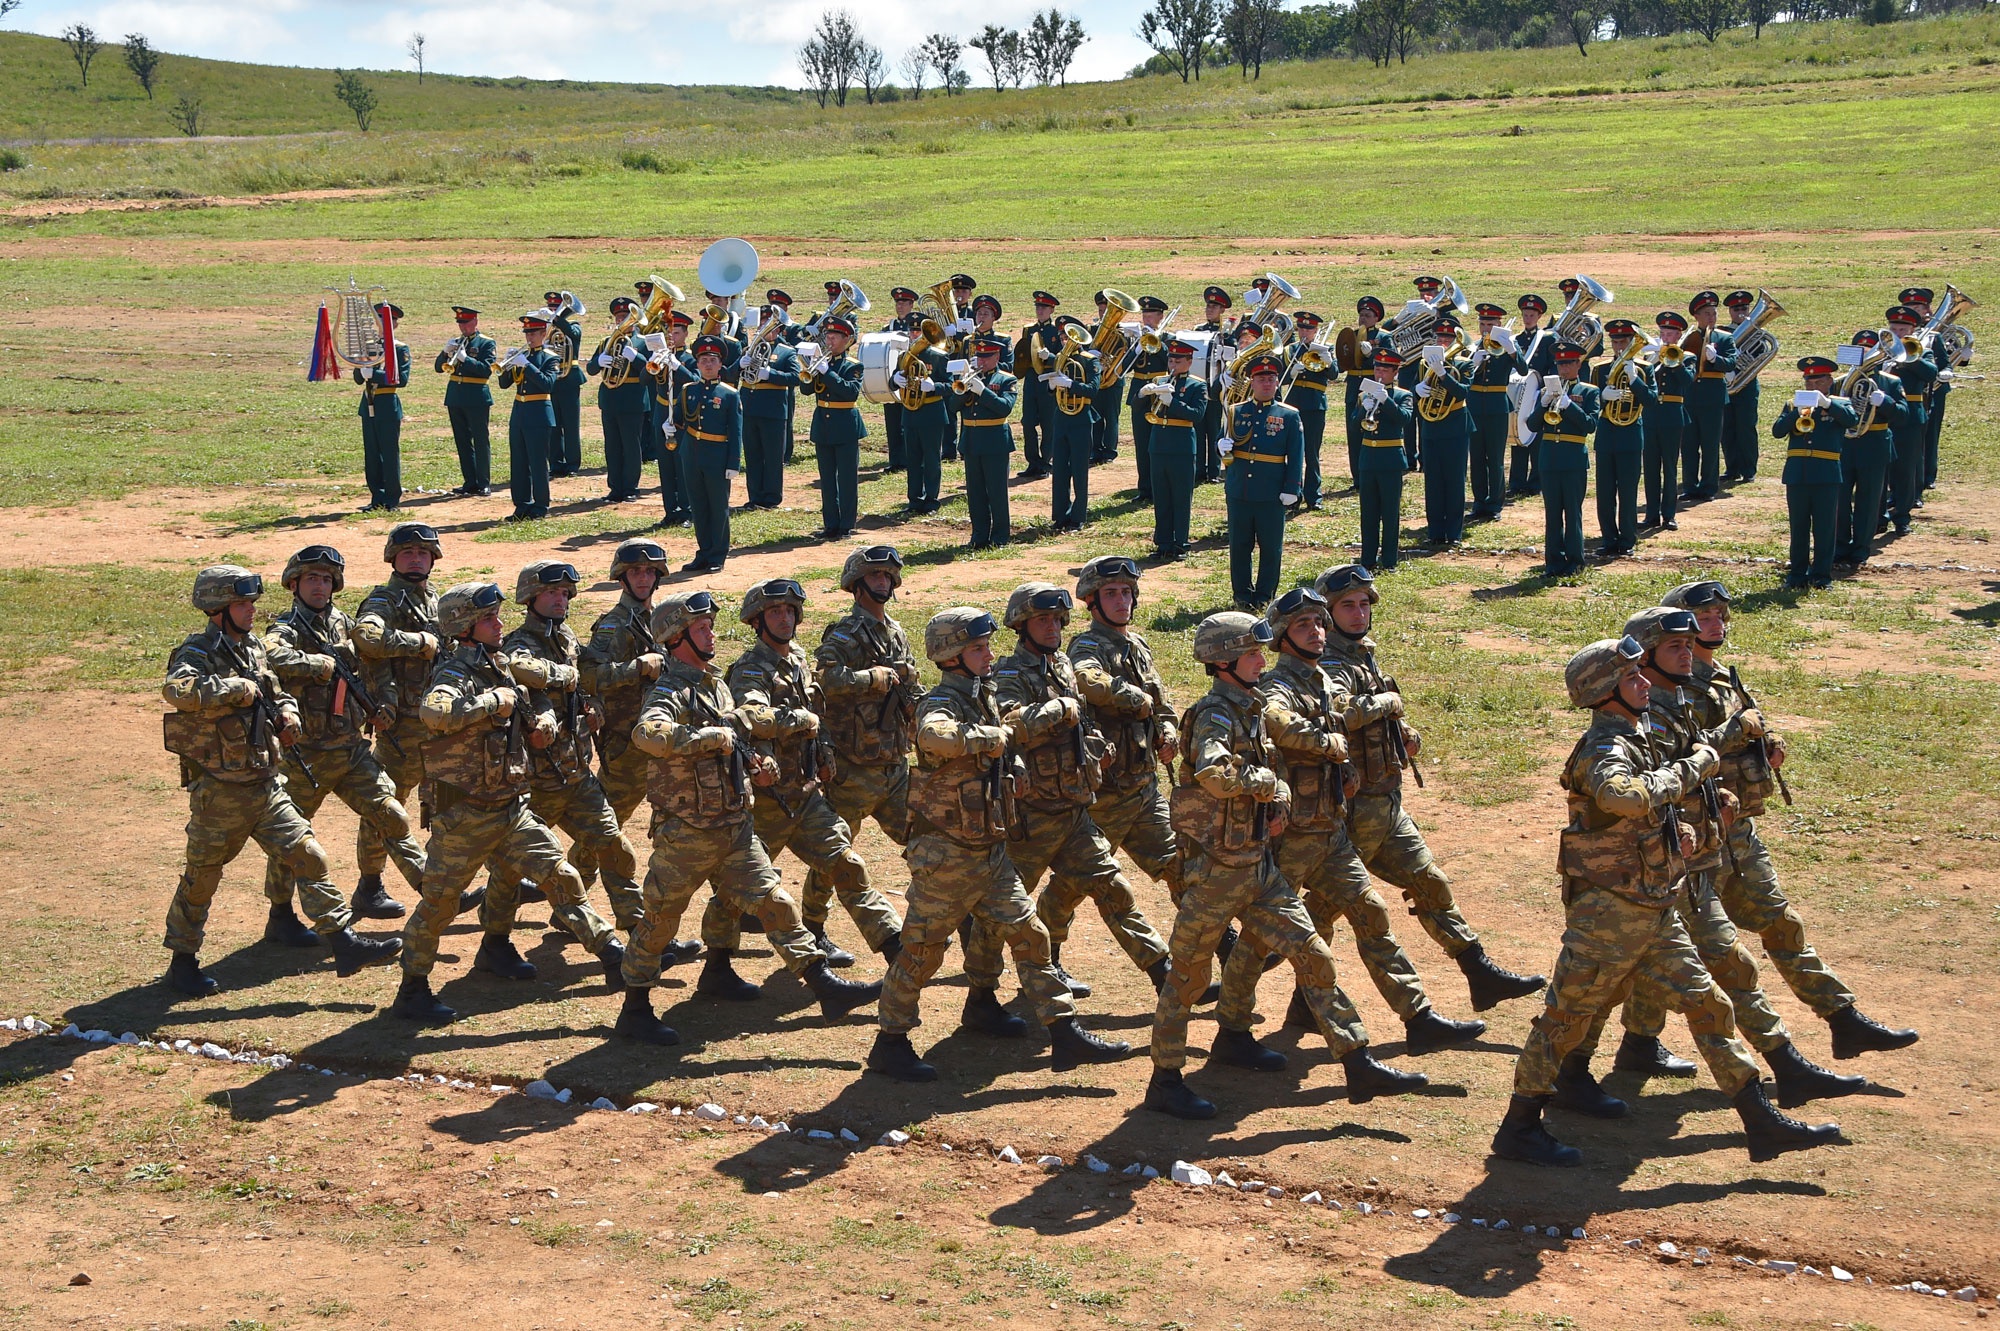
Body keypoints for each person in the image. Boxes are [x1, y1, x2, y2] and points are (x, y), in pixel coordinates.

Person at [1491, 636, 1841, 1167]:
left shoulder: (1639, 737)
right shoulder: (1606, 749)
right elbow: (1624, 798)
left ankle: (1760, 1121)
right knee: (1564, 1020)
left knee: (1710, 1004)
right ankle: (1518, 1128)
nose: (1643, 683)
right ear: (1607, 694)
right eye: (1632, 678)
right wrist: (1695, 767)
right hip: (1607, 916)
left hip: (1653, 904)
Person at [1578, 608, 1867, 1110]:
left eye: (1691, 644)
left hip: (1681, 860)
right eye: (1675, 647)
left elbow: (1680, 770)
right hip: (1651, 870)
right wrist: (1709, 762)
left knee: (1622, 981)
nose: (1689, 652)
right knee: (1617, 984)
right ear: (1642, 659)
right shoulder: (1634, 721)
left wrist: (1717, 790)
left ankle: (1599, 1063)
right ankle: (1562, 1079)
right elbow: (1641, 787)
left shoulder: (1666, 705)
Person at [1144, 611, 1426, 1121]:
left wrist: (1276, 805)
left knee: (1314, 954)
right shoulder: (1215, 715)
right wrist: (1267, 785)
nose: (1261, 659)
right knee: (1185, 980)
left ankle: (1356, 1061)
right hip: (1214, 876)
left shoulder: (1249, 707)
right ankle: (1165, 1082)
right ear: (1224, 662)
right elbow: (1211, 771)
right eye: (1252, 653)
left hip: (1257, 867)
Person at [1210, 589, 1485, 1065]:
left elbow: (1351, 713)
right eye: (1302, 626)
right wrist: (1330, 740)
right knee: (1258, 939)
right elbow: (1280, 724)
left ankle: (1418, 1018)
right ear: (1281, 637)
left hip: (1332, 830)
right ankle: (1232, 1031)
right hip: (1294, 835)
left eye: (1319, 622)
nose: (1316, 630)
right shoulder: (1277, 686)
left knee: (1372, 914)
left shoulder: (1322, 681)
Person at [1658, 579, 1919, 1060]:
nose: (1715, 623)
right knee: (1676, 946)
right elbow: (1678, 754)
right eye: (1704, 617)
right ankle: (1638, 1042)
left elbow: (1751, 719)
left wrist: (1768, 740)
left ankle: (1842, 1018)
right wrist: (1737, 731)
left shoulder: (1720, 675)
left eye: (1720, 615)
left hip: (1735, 828)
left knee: (1779, 921)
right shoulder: (1669, 686)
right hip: (1693, 838)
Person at [866, 607, 1130, 1083]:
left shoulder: (983, 695)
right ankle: (890, 1042)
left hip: (988, 849)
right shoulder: (941, 702)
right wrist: (994, 737)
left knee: (1031, 934)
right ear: (952, 656)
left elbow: (1001, 748)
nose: (989, 656)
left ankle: (1064, 1031)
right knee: (923, 951)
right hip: (946, 856)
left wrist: (1015, 768)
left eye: (987, 647)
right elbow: (934, 737)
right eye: (978, 649)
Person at [613, 590, 881, 1043]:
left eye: (709, 626)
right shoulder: (670, 690)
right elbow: (648, 733)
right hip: (688, 832)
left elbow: (733, 739)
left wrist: (756, 762)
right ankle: (634, 1008)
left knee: (777, 904)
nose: (711, 634)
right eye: (701, 629)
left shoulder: (715, 685)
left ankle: (825, 988)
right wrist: (706, 738)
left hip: (733, 826)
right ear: (677, 638)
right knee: (659, 921)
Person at [159, 566, 403, 997]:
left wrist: (287, 712)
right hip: (221, 790)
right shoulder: (197, 652)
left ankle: (342, 942)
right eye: (241, 604)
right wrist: (234, 689)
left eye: (251, 603)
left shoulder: (252, 646)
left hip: (265, 781)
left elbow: (274, 690)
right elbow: (178, 691)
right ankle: (182, 961)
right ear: (217, 609)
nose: (252, 611)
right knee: (203, 876)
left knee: (308, 855)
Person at [389, 582, 626, 1024]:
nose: (500, 624)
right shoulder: (454, 673)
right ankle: (412, 990)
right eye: (489, 619)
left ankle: (614, 957)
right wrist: (489, 702)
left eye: (498, 616)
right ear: (465, 627)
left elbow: (532, 701)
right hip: (463, 815)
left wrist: (544, 722)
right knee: (439, 904)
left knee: (561, 876)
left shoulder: (498, 664)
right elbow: (435, 714)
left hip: (511, 807)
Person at [1316, 564, 1547, 1010]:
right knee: (1327, 906)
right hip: (1354, 807)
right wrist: (1388, 704)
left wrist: (1405, 732)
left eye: (1364, 604)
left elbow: (1377, 714)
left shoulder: (1363, 653)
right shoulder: (1326, 662)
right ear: (1327, 613)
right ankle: (1264, 981)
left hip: (1384, 802)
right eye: (1348, 605)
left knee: (1429, 881)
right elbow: (1340, 713)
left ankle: (1479, 971)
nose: (1359, 613)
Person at [965, 582, 1172, 1000]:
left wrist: (1098, 745)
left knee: (1115, 890)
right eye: (1042, 620)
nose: (1052, 627)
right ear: (1022, 626)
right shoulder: (1008, 672)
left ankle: (1166, 976)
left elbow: (1084, 721)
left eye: (1057, 619)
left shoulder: (1061, 667)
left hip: (1074, 810)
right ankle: (981, 996)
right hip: (1031, 816)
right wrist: (1057, 710)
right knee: (999, 912)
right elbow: (1008, 725)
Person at [697, 579, 905, 984]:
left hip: (807, 797)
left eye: (790, 611)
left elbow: (818, 714)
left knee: (847, 865)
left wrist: (824, 750)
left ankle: (897, 950)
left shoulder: (798, 661)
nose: (784, 618)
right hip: (769, 801)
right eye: (775, 612)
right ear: (757, 621)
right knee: (739, 890)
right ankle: (717, 966)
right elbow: (749, 720)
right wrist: (793, 727)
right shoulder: (750, 669)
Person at [260, 545, 430, 949]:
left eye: (325, 579)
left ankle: (436, 892)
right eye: (311, 579)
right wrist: (316, 664)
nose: (319, 586)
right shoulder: (286, 626)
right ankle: (280, 915)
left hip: (350, 748)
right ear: (294, 584)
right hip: (307, 755)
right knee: (292, 840)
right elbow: (270, 654)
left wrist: (382, 703)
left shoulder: (342, 623)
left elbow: (370, 668)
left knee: (390, 812)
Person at [498, 560, 647, 959]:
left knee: (614, 848)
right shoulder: (518, 643)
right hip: (538, 782)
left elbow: (586, 681)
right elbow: (519, 671)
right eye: (551, 593)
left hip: (577, 776)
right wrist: (566, 680)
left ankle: (639, 931)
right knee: (512, 869)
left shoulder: (566, 638)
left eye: (565, 593)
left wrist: (593, 705)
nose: (560, 599)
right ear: (530, 598)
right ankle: (495, 943)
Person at [577, 539, 702, 972]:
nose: (644, 578)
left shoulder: (667, 617)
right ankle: (584, 900)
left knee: (610, 829)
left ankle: (571, 892)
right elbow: (589, 676)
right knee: (608, 829)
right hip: (626, 743)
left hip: (663, 741)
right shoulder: (613, 626)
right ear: (622, 577)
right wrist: (638, 667)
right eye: (636, 572)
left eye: (650, 572)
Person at [800, 547, 928, 963]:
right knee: (833, 855)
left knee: (928, 842)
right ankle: (813, 928)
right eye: (874, 576)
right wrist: (870, 678)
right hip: (854, 770)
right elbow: (825, 679)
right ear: (856, 584)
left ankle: (947, 920)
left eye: (887, 576)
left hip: (894, 765)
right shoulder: (845, 633)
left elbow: (910, 686)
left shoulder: (895, 632)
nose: (882, 582)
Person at [1064, 558, 1182, 907]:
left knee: (1181, 866)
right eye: (1111, 593)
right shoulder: (1087, 646)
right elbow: (1084, 678)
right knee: (1076, 885)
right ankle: (1047, 951)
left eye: (1127, 592)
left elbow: (1162, 703)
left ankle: (1222, 944)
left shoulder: (1139, 646)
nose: (1121, 601)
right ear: (1093, 601)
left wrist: (1169, 731)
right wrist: (1133, 697)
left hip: (1143, 788)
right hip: (1106, 794)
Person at [351, 522, 446, 920]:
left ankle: (444, 880)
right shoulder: (385, 600)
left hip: (438, 722)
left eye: (423, 553)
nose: (416, 558)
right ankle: (369, 886)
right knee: (387, 807)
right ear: (393, 557)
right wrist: (418, 643)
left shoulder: (433, 599)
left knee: (447, 803)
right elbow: (366, 637)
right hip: (402, 725)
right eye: (408, 552)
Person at [1221, 350, 1301, 609]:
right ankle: (1242, 594)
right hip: (1240, 488)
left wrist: (1292, 488)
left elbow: (1296, 455)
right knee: (1240, 545)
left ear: (1277, 382)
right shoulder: (1236, 411)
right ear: (1252, 383)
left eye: (1271, 379)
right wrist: (1221, 448)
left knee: (1270, 548)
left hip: (1271, 490)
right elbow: (1230, 450)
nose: (1266, 384)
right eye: (1261, 379)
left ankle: (1265, 594)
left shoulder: (1289, 415)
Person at [1772, 355, 1858, 590]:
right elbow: (1778, 431)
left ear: (1829, 381)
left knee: (1825, 527)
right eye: (1808, 382)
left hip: (1826, 474)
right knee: (1798, 526)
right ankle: (1797, 574)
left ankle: (1821, 575)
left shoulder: (1841, 404)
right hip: (1797, 474)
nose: (1811, 386)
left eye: (1817, 381)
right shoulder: (1793, 405)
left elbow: (1852, 421)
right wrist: (1795, 414)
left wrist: (1827, 404)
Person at [1834, 329, 1907, 568]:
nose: (1867, 354)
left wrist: (1885, 402)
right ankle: (1840, 545)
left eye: (1871, 350)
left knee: (1869, 500)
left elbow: (1904, 416)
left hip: (1874, 446)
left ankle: (1861, 548)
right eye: (1861, 349)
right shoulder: (1840, 382)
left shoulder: (1890, 381)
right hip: (1845, 446)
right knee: (1840, 499)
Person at [1526, 341, 1598, 577]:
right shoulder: (1546, 391)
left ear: (1579, 363)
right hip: (1549, 457)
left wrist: (1569, 406)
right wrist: (1543, 404)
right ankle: (1553, 561)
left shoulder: (1588, 391)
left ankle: (1575, 560)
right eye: (1560, 363)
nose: (1563, 368)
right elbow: (1532, 425)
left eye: (1568, 363)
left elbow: (1590, 425)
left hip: (1573, 458)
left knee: (1572, 512)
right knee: (1552, 513)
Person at [673, 334, 742, 573]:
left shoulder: (729, 394)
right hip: (691, 455)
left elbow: (735, 431)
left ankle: (718, 555)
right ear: (697, 364)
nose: (708, 364)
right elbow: (680, 420)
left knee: (718, 506)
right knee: (699, 506)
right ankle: (703, 552)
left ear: (721, 364)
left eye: (713, 360)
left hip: (717, 456)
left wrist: (734, 462)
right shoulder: (687, 390)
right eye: (703, 360)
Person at [1590, 319, 1654, 559]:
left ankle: (1627, 538)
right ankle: (1608, 538)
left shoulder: (1644, 369)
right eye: (1615, 342)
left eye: (1624, 342)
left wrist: (1635, 381)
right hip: (1607, 434)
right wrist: (1603, 397)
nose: (1619, 347)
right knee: (1605, 492)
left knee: (1628, 491)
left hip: (1630, 434)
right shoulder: (1601, 369)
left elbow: (1651, 401)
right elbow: (1591, 403)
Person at [1136, 335, 1205, 559]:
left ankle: (1180, 543)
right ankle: (1163, 541)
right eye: (1171, 361)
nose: (1173, 365)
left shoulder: (1197, 385)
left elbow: (1197, 415)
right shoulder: (1159, 381)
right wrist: (1142, 393)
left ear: (1189, 361)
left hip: (1182, 445)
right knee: (1162, 495)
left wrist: (1172, 402)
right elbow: (1140, 409)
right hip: (1158, 443)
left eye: (1178, 361)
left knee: (1181, 496)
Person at [797, 314, 865, 540]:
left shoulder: (853, 365)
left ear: (846, 339)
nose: (830, 340)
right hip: (823, 424)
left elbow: (850, 391)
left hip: (845, 424)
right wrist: (809, 369)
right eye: (828, 336)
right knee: (826, 479)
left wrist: (828, 373)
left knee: (846, 479)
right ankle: (830, 524)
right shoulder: (821, 362)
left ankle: (846, 524)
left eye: (835, 336)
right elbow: (806, 390)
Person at [1351, 346, 1412, 571]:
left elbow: (1404, 419)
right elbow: (1355, 427)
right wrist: (1361, 410)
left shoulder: (1403, 395)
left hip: (1391, 459)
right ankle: (1367, 559)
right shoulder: (1363, 395)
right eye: (1377, 368)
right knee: (1368, 512)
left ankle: (1389, 560)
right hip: (1368, 458)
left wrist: (1386, 402)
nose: (1380, 373)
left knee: (1390, 512)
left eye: (1385, 370)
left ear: (1395, 373)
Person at [1412, 316, 1472, 545]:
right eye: (1440, 337)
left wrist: (1444, 375)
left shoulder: (1464, 363)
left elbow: (1464, 392)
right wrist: (1417, 389)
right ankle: (1435, 531)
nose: (1444, 341)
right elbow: (1415, 392)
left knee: (1455, 481)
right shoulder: (1423, 364)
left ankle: (1454, 533)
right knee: (1433, 481)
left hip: (1456, 426)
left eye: (1448, 337)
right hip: (1431, 427)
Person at [956, 333, 1018, 549]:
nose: (981, 361)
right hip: (972, 441)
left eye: (987, 356)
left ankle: (1000, 536)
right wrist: (965, 386)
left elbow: (1004, 408)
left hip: (995, 441)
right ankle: (979, 535)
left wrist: (982, 392)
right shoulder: (970, 378)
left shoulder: (1006, 379)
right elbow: (951, 406)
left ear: (997, 355)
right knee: (975, 493)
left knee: (997, 491)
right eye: (979, 356)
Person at [587, 296, 652, 504]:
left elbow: (651, 370)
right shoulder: (606, 342)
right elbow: (590, 369)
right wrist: (599, 360)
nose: (622, 321)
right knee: (612, 446)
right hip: (610, 399)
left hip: (633, 399)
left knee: (631, 446)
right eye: (619, 317)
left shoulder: (643, 342)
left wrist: (636, 357)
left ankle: (631, 487)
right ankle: (615, 488)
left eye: (626, 317)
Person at [496, 309, 559, 521]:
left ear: (544, 333)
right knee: (519, 461)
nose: (529, 337)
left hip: (539, 414)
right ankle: (521, 504)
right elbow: (504, 385)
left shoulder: (550, 358)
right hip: (519, 413)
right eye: (526, 333)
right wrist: (508, 365)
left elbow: (547, 384)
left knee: (538, 462)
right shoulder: (522, 356)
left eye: (533, 333)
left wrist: (527, 366)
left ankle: (541, 505)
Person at [739, 302, 802, 511]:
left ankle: (772, 498)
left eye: (769, 324)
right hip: (749, 408)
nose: (764, 327)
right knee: (753, 455)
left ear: (778, 330)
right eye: (762, 323)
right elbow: (732, 375)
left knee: (773, 457)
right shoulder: (749, 349)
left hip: (772, 411)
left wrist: (770, 374)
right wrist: (741, 364)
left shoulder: (786, 352)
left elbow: (796, 377)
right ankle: (754, 496)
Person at [1464, 302, 1523, 521]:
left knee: (1495, 458)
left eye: (1490, 323)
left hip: (1498, 405)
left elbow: (1524, 370)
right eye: (1482, 323)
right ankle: (1479, 502)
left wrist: (1512, 351)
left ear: (1499, 324)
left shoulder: (1507, 346)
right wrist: (1474, 362)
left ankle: (1495, 504)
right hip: (1475, 405)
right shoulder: (1473, 346)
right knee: (1477, 457)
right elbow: (1464, 376)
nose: (1486, 328)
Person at [1044, 314, 1102, 531]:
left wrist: (1070, 384)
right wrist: (1051, 387)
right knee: (1059, 469)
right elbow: (1052, 388)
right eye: (1061, 336)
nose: (1063, 340)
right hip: (1061, 416)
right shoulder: (1059, 358)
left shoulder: (1089, 360)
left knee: (1079, 469)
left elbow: (1094, 390)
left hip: (1081, 417)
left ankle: (1078, 516)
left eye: (1067, 336)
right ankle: (1060, 515)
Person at [1885, 303, 1939, 534]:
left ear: (1912, 331)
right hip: (1882, 414)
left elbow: (1931, 374)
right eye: (1894, 329)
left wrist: (1909, 357)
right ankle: (1879, 514)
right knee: (1881, 469)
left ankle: (1902, 516)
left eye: (1902, 330)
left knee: (1906, 469)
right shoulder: (1879, 349)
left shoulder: (1922, 350)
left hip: (1911, 415)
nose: (1898, 334)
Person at [353, 301, 410, 513]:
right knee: (372, 453)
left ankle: (392, 498)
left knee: (388, 452)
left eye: (387, 321)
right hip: (368, 403)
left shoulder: (399, 348)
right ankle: (377, 496)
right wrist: (361, 368)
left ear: (394, 324)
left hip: (387, 404)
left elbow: (401, 379)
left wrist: (375, 375)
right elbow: (358, 378)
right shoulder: (370, 345)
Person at [1683, 290, 1738, 502]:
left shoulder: (1724, 338)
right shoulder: (1688, 337)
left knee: (1710, 444)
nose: (1711, 318)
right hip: (1690, 396)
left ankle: (1708, 486)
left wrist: (1716, 359)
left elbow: (1732, 362)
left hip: (1713, 397)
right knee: (1688, 445)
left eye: (1714, 313)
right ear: (1696, 316)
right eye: (1707, 314)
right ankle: (1689, 485)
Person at [893, 314, 951, 515]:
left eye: (919, 331)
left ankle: (932, 500)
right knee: (913, 459)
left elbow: (952, 385)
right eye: (913, 331)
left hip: (931, 413)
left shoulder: (938, 356)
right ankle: (914, 500)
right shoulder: (904, 356)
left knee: (932, 459)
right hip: (910, 413)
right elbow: (894, 381)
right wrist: (895, 379)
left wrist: (935, 386)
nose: (916, 335)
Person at [436, 304, 495, 496]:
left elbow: (486, 369)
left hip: (476, 396)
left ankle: (484, 482)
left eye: (466, 323)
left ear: (475, 321)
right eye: (460, 323)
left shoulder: (487, 343)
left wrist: (465, 359)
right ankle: (470, 481)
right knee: (462, 441)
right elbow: (438, 367)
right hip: (455, 396)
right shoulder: (456, 341)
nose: (463, 327)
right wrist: (445, 352)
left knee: (480, 440)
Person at [1644, 311, 1694, 532]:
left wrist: (1675, 361)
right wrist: (1655, 357)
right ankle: (1651, 514)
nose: (1665, 337)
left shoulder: (1687, 357)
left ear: (1679, 335)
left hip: (1673, 415)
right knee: (1651, 467)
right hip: (1651, 414)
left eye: (1670, 333)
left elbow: (1687, 382)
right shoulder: (1650, 356)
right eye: (1663, 333)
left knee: (1670, 468)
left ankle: (1669, 515)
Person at [1899, 286, 1953, 492]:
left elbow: (1944, 360)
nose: (1913, 309)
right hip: (1905, 392)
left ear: (1927, 309)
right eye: (1909, 306)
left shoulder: (1933, 335)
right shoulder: (1896, 333)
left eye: (1917, 306)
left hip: (1933, 391)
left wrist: (1954, 366)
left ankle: (1927, 476)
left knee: (1929, 436)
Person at [646, 308, 695, 527]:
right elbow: (642, 380)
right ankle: (670, 510)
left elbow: (694, 380)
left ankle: (686, 510)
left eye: (676, 333)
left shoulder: (690, 358)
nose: (671, 337)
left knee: (683, 466)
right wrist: (653, 361)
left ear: (685, 334)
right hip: (661, 414)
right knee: (665, 466)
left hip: (682, 415)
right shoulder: (661, 356)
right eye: (668, 333)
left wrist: (677, 365)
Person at [1509, 292, 1558, 497]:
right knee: (1518, 434)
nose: (1527, 318)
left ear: (1539, 317)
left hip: (1537, 393)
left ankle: (1536, 482)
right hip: (1518, 392)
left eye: (1531, 314)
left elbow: (1552, 367)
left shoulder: (1546, 340)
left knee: (1537, 437)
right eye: (1525, 314)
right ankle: (1517, 481)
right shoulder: (1515, 340)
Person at [1126, 295, 1172, 503]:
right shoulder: (1136, 339)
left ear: (1160, 316)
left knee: (1160, 443)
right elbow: (1123, 367)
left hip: (1159, 391)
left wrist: (1157, 341)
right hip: (1139, 391)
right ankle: (1144, 488)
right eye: (1144, 313)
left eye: (1150, 313)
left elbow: (1171, 363)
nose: (1146, 317)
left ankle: (1161, 488)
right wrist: (1137, 347)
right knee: (1141, 442)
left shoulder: (1169, 337)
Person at [1343, 295, 1389, 490]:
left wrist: (1372, 355)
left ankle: (1373, 477)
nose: (1363, 318)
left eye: (1368, 315)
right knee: (1354, 433)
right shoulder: (1351, 335)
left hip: (1373, 383)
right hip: (1354, 385)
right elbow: (1342, 362)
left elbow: (1390, 362)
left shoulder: (1383, 336)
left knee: (1373, 432)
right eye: (1361, 315)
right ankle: (1358, 479)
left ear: (1376, 318)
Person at [1016, 291, 1062, 481]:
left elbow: (1063, 358)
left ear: (1051, 310)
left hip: (1048, 380)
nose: (1040, 310)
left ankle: (1045, 461)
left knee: (1048, 423)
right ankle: (1032, 461)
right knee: (1027, 422)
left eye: (1044, 307)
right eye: (1038, 307)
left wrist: (1049, 357)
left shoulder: (1056, 332)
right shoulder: (1029, 330)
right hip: (1031, 380)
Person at [1719, 289, 1763, 484]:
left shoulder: (1756, 333)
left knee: (1746, 427)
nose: (1741, 312)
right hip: (1726, 385)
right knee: (1727, 428)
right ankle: (1732, 468)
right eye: (1736, 309)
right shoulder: (1722, 333)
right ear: (1730, 311)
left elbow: (1760, 356)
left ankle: (1749, 469)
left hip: (1747, 385)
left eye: (1744, 308)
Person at [542, 291, 587, 478]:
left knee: (570, 424)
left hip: (569, 380)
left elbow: (573, 333)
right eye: (551, 307)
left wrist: (557, 319)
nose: (554, 310)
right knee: (553, 425)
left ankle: (572, 464)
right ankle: (555, 463)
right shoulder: (545, 331)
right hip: (552, 380)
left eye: (557, 307)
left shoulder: (572, 326)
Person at [1194, 286, 1234, 484]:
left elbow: (1233, 358)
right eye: (1208, 305)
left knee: (1215, 429)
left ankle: (1214, 470)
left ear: (1222, 310)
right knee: (1199, 430)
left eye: (1214, 306)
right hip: (1202, 386)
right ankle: (1199, 469)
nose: (1210, 309)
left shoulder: (1228, 334)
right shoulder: (1198, 331)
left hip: (1219, 389)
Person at [880, 286, 922, 473]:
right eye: (898, 302)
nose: (900, 305)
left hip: (913, 379)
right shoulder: (887, 328)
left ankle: (907, 459)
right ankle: (895, 459)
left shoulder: (919, 326)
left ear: (912, 305)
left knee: (908, 422)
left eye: (904, 302)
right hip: (894, 377)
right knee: (892, 421)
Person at [1089, 290, 1127, 465]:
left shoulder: (1123, 333)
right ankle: (1095, 450)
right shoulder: (1092, 331)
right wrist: (1091, 355)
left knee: (1111, 417)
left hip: (1113, 379)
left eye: (1107, 312)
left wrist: (1108, 364)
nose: (1103, 315)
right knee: (1095, 416)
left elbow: (1124, 356)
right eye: (1101, 312)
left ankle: (1110, 451)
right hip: (1097, 380)